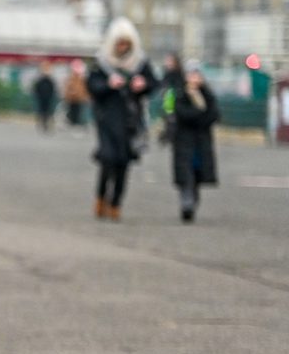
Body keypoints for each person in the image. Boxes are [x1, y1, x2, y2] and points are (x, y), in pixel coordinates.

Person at [88, 18, 157, 223]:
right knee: (108, 159)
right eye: (119, 43)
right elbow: (92, 87)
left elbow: (154, 83)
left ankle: (116, 203)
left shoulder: (140, 63)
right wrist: (109, 84)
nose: (122, 48)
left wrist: (142, 84)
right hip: (107, 118)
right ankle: (101, 197)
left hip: (130, 120)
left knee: (123, 163)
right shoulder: (102, 63)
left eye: (126, 44)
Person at [168, 61, 218, 223]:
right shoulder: (180, 94)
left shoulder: (208, 95)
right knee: (186, 174)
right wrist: (199, 111)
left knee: (197, 175)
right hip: (184, 141)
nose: (194, 78)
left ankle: (192, 202)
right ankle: (186, 203)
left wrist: (200, 109)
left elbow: (213, 115)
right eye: (191, 74)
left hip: (201, 142)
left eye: (196, 75)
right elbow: (183, 114)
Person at [63, 59, 90, 127]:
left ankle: (79, 123)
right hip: (72, 99)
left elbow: (85, 89)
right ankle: (73, 122)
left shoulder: (82, 79)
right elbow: (67, 88)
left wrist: (86, 96)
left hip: (80, 99)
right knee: (73, 112)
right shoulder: (71, 79)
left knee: (80, 112)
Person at [32, 62, 57, 133]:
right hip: (41, 99)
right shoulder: (40, 81)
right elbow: (36, 89)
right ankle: (41, 124)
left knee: (47, 112)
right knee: (41, 112)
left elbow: (53, 90)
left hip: (48, 99)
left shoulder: (50, 81)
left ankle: (46, 125)